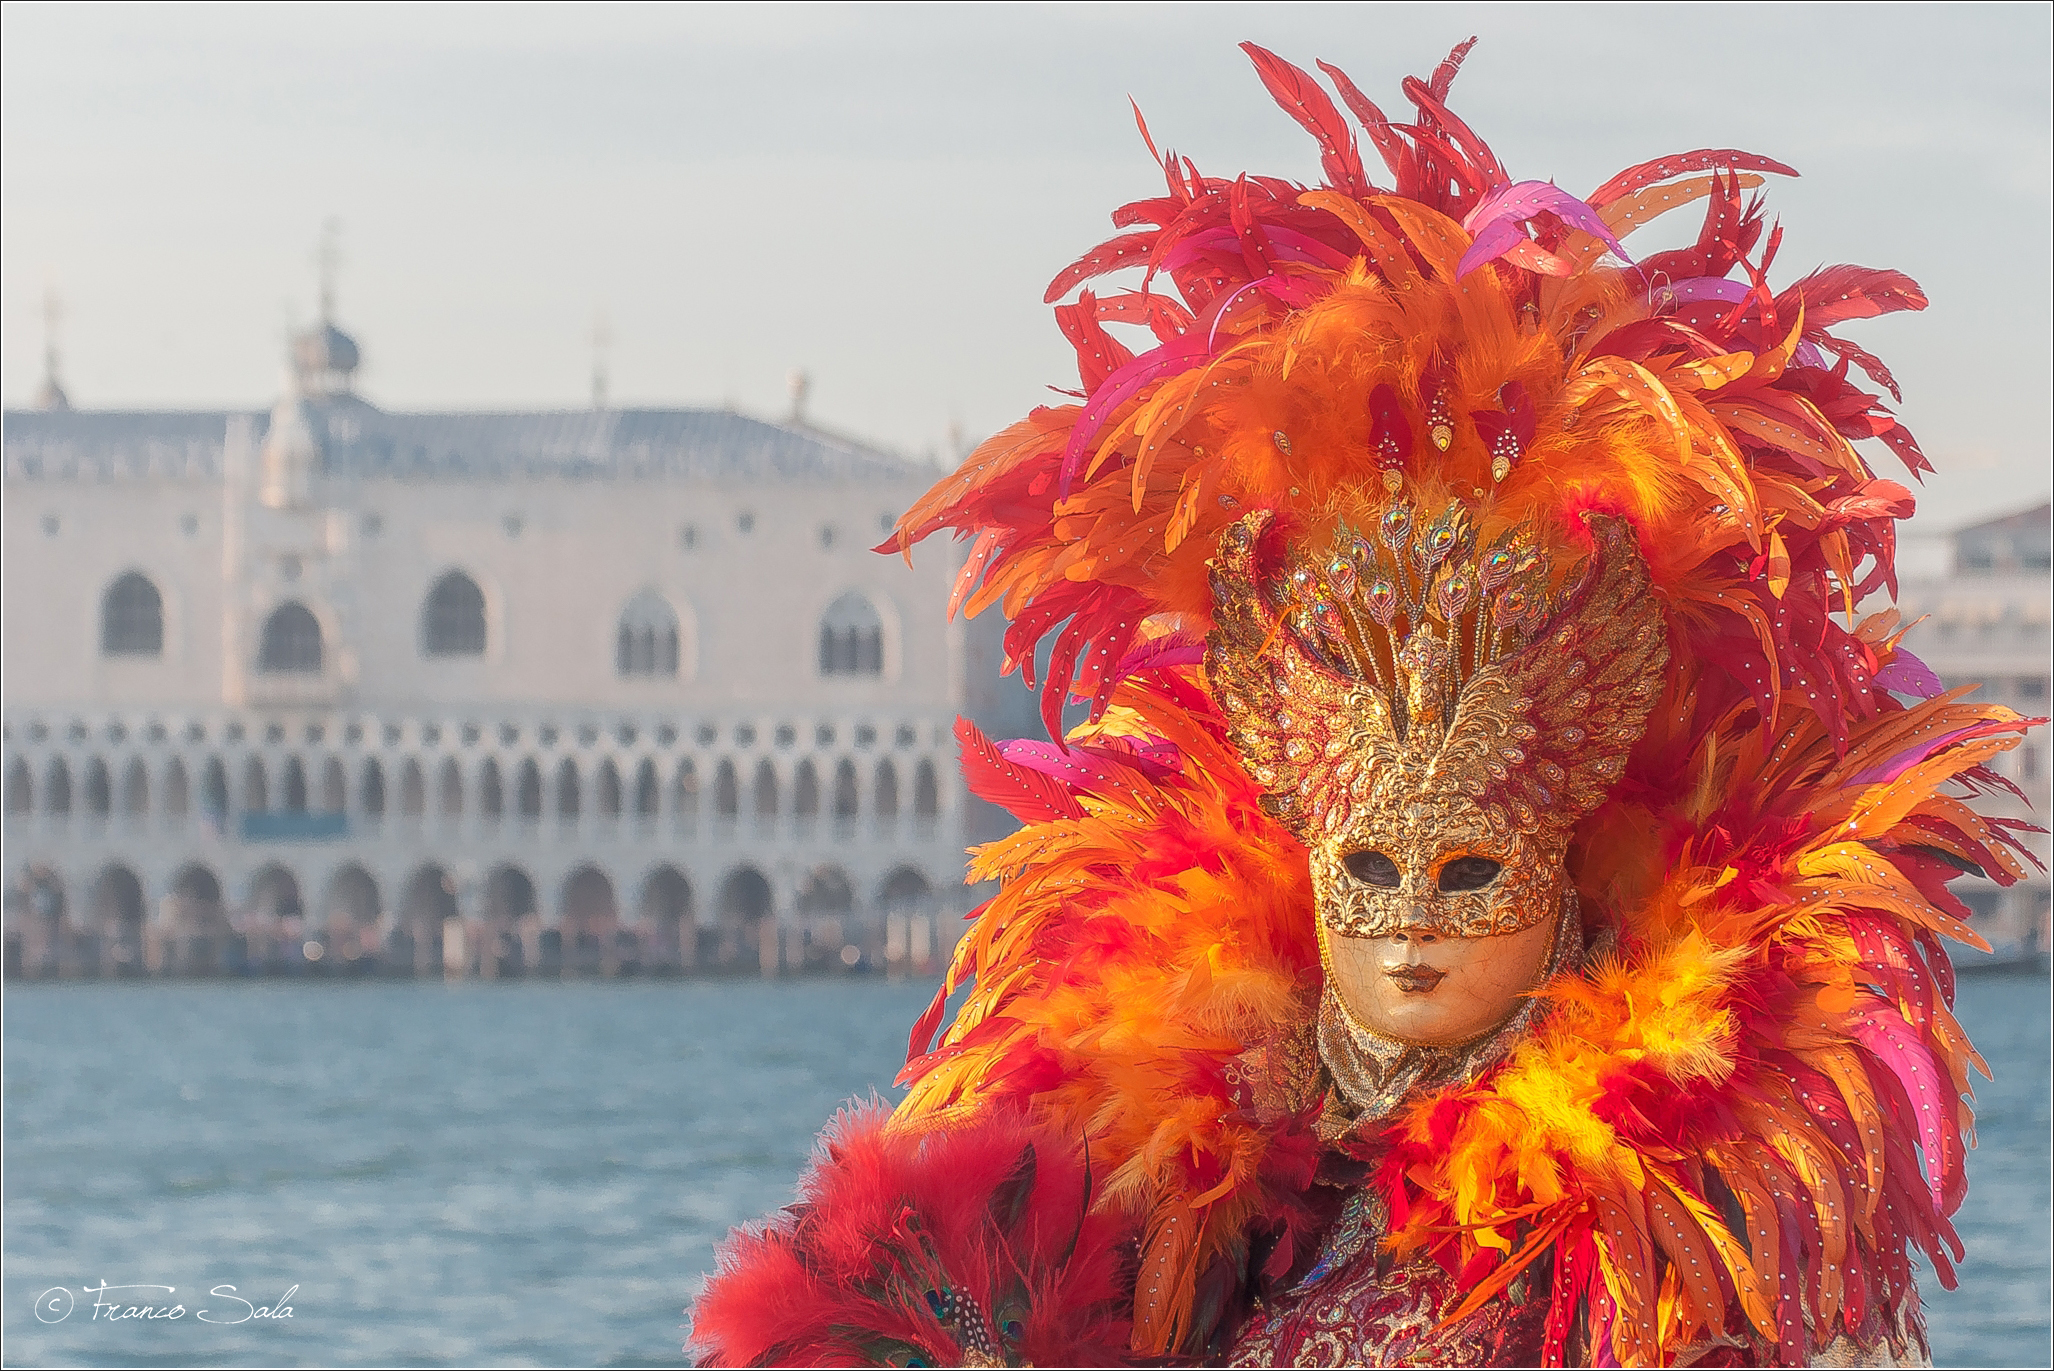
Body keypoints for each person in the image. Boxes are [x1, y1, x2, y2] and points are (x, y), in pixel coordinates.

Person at [689, 39, 2039, 1368]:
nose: (1410, 929)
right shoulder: (1173, 1187)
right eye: (1372, 869)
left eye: (1467, 871)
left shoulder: (1703, 1233)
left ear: (1559, 861)